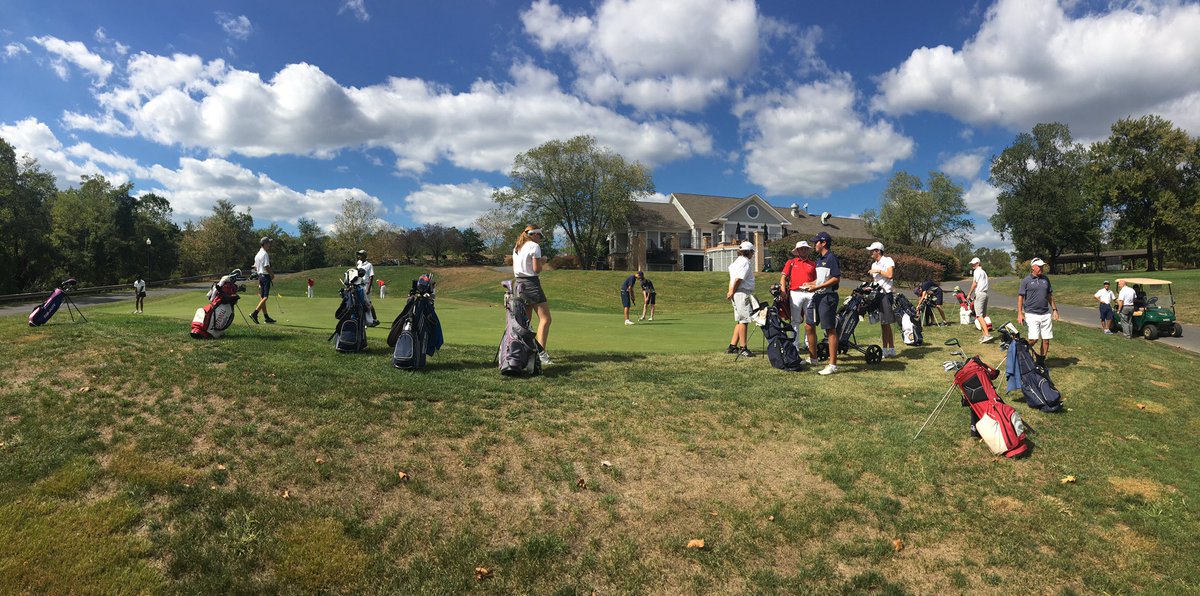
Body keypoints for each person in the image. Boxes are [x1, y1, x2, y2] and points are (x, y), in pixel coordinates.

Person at [802, 232, 841, 375]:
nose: (814, 245)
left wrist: (816, 287)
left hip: (828, 297)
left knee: (829, 329)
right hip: (817, 296)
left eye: (816, 242)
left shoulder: (831, 258)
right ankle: (813, 358)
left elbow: (836, 278)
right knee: (808, 325)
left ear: (823, 243)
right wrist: (810, 283)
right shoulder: (819, 260)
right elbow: (820, 280)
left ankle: (832, 365)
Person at [513, 225, 553, 365]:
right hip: (531, 284)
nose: (540, 239)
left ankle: (525, 352)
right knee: (546, 319)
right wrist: (542, 261)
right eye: (540, 236)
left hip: (518, 284)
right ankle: (541, 354)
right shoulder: (534, 247)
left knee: (526, 322)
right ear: (534, 235)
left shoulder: (517, 247)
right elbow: (536, 269)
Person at [1017, 258, 1059, 366]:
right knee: (1034, 339)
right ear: (1033, 267)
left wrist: (1054, 310)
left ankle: (1041, 362)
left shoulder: (1046, 279)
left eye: (1042, 266)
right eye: (1039, 266)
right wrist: (1020, 313)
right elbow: (1020, 297)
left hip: (1045, 313)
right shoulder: (1026, 281)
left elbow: (1049, 296)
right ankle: (1021, 351)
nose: (1041, 268)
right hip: (1031, 314)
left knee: (1046, 340)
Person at [780, 240, 815, 358]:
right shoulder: (791, 262)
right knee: (795, 320)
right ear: (797, 251)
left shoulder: (813, 264)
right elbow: (783, 277)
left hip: (810, 292)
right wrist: (783, 290)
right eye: (801, 249)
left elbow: (817, 280)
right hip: (795, 292)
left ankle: (807, 343)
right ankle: (795, 344)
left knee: (810, 320)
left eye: (805, 248)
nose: (803, 250)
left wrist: (811, 284)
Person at [867, 242, 897, 358]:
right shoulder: (874, 264)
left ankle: (885, 349)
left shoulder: (888, 260)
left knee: (885, 323)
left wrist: (878, 271)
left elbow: (890, 275)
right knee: (884, 324)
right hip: (878, 295)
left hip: (886, 294)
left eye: (872, 250)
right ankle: (891, 349)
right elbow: (877, 282)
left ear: (878, 251)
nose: (870, 252)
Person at [726, 241, 756, 357]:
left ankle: (732, 346)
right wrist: (732, 291)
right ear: (749, 252)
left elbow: (733, 279)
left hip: (736, 292)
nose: (753, 254)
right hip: (741, 292)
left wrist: (731, 291)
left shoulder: (736, 262)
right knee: (744, 320)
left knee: (740, 319)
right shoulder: (745, 263)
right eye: (752, 252)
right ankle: (743, 348)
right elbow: (738, 279)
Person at [251, 237, 277, 324]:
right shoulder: (265, 254)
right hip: (265, 277)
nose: (269, 245)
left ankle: (266, 317)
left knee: (262, 297)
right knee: (265, 297)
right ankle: (255, 313)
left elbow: (255, 267)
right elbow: (266, 266)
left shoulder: (257, 254)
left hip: (260, 276)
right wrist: (272, 274)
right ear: (265, 244)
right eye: (268, 243)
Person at [968, 257, 993, 343]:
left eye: (974, 264)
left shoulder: (977, 271)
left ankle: (987, 334)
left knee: (979, 315)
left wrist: (969, 294)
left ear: (978, 263)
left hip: (980, 294)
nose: (972, 266)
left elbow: (975, 283)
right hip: (985, 294)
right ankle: (984, 335)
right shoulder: (983, 272)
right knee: (982, 316)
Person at [355, 249, 380, 326]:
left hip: (366, 285)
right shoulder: (358, 263)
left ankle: (374, 319)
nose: (358, 256)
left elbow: (371, 276)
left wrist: (368, 288)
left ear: (364, 256)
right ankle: (364, 319)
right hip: (359, 284)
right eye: (358, 254)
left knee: (368, 303)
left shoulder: (369, 265)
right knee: (360, 302)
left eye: (360, 255)